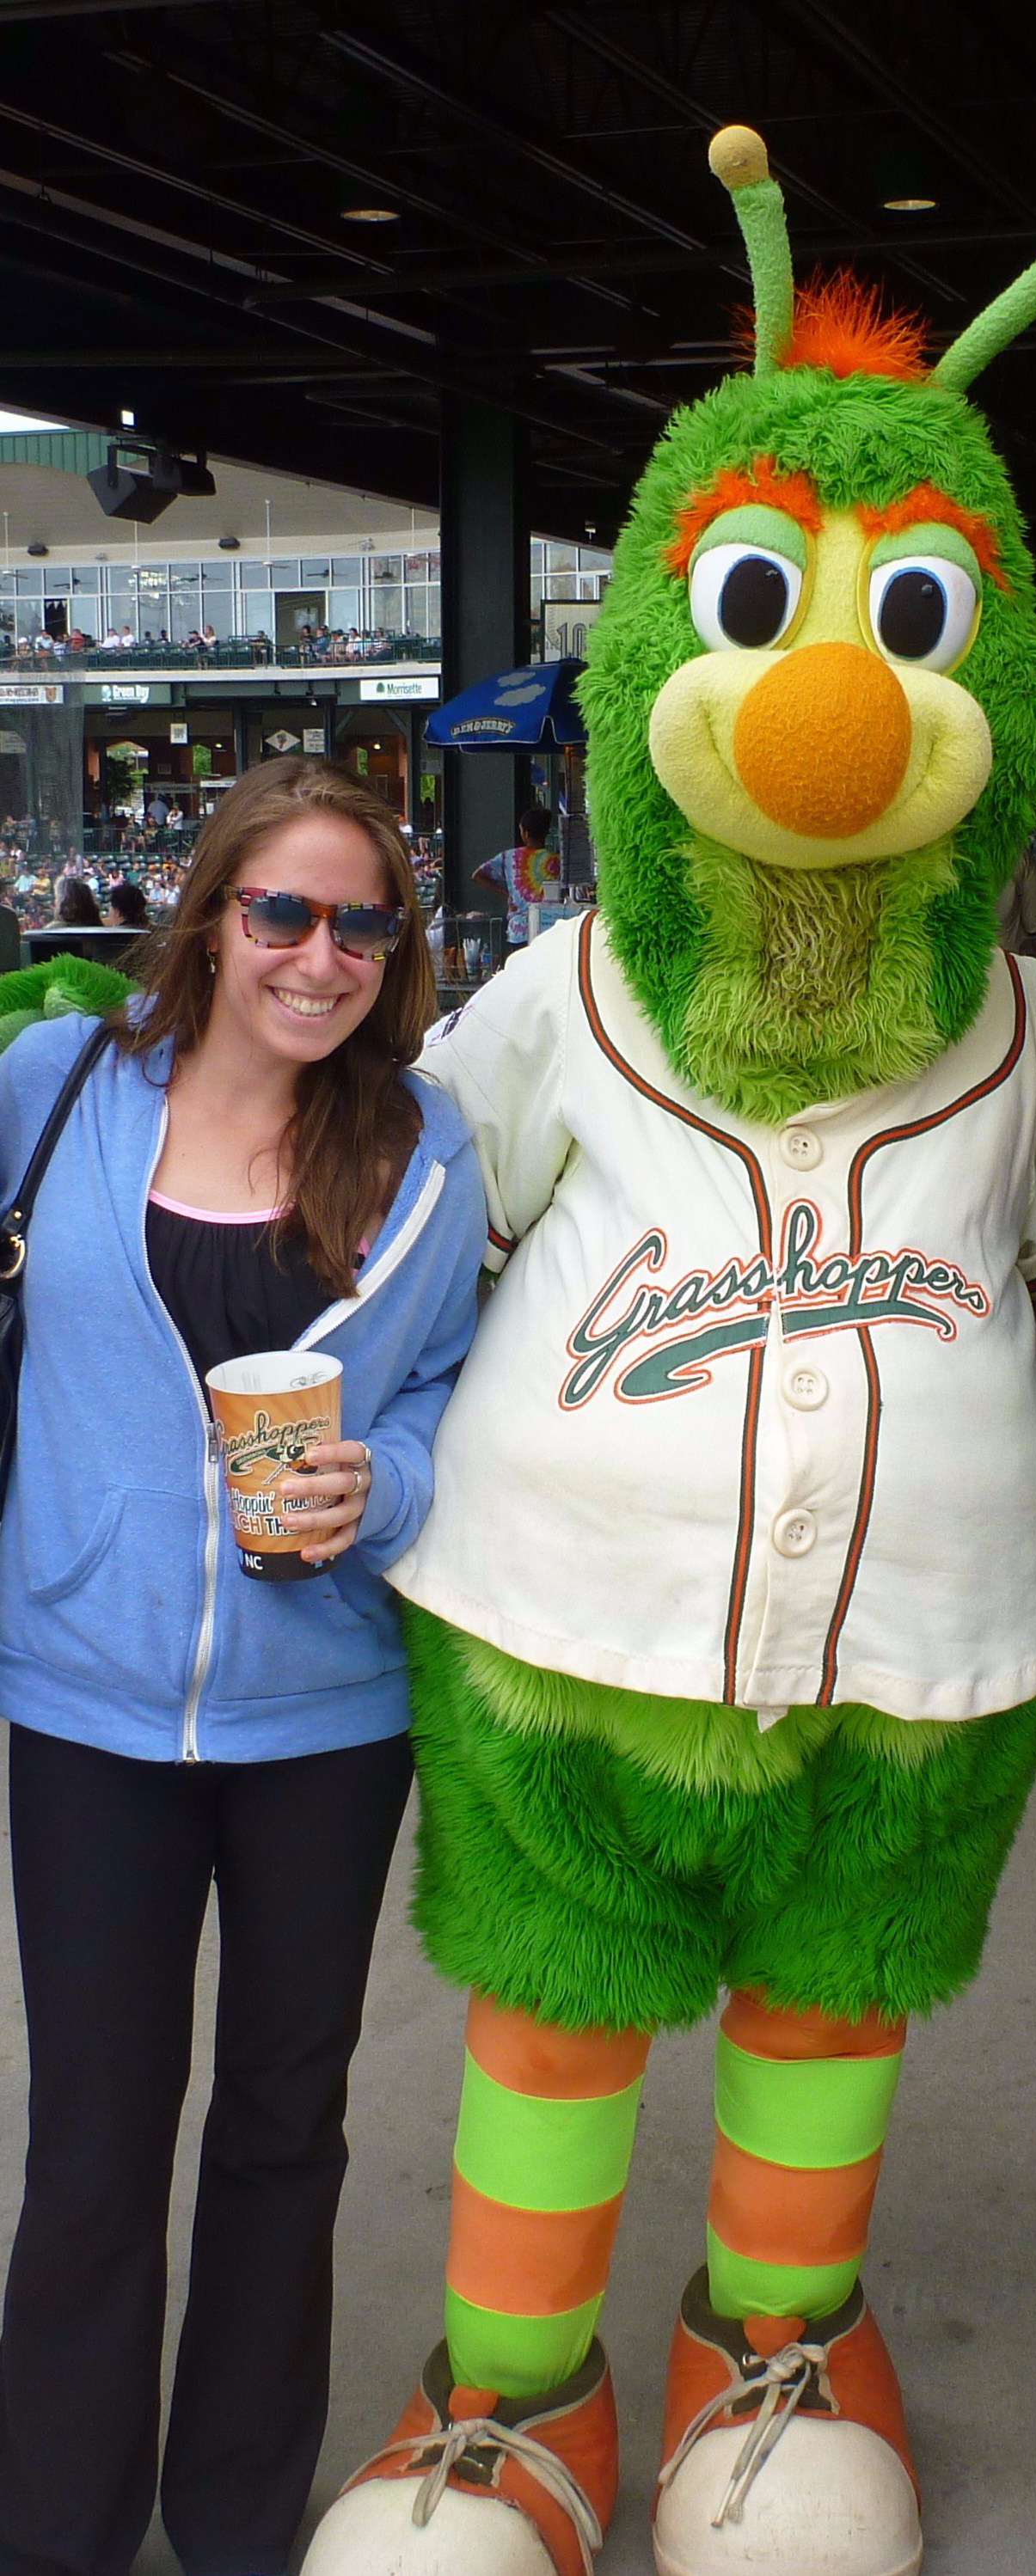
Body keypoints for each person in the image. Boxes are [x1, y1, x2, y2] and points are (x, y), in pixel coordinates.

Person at [0, 756, 486, 2576]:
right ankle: (54, 2524)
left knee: (288, 2124)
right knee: (94, 2142)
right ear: (211, 918)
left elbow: (446, 1386)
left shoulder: (424, 1144)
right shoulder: (56, 1087)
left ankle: (233, 2518)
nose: (321, 954)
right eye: (284, 910)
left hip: (326, 1716)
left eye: (363, 922)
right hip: (85, 1695)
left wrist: (389, 1482)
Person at [469, 803, 558, 948]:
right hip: (548, 929)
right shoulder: (555, 861)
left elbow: (477, 875)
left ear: (526, 834)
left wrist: (507, 893)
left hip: (518, 932)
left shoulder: (510, 858)